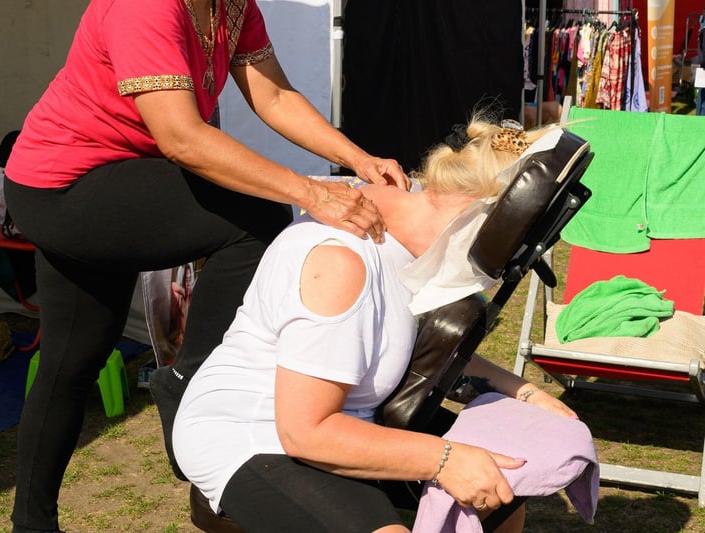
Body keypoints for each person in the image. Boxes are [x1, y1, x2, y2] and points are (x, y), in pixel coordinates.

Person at [2, 1, 410, 531]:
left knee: (70, 362)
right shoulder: (143, 7)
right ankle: (188, 382)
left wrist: (357, 159)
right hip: (62, 187)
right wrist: (314, 192)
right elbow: (182, 138)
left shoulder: (234, 6)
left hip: (106, 180)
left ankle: (29, 524)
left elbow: (275, 94)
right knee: (255, 215)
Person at [171, 114, 582, 533]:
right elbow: (304, 433)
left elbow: (412, 351)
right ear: (491, 219)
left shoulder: (407, 227)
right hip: (257, 437)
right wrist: (446, 459)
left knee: (503, 489)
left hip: (345, 423)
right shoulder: (341, 265)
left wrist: (525, 393)